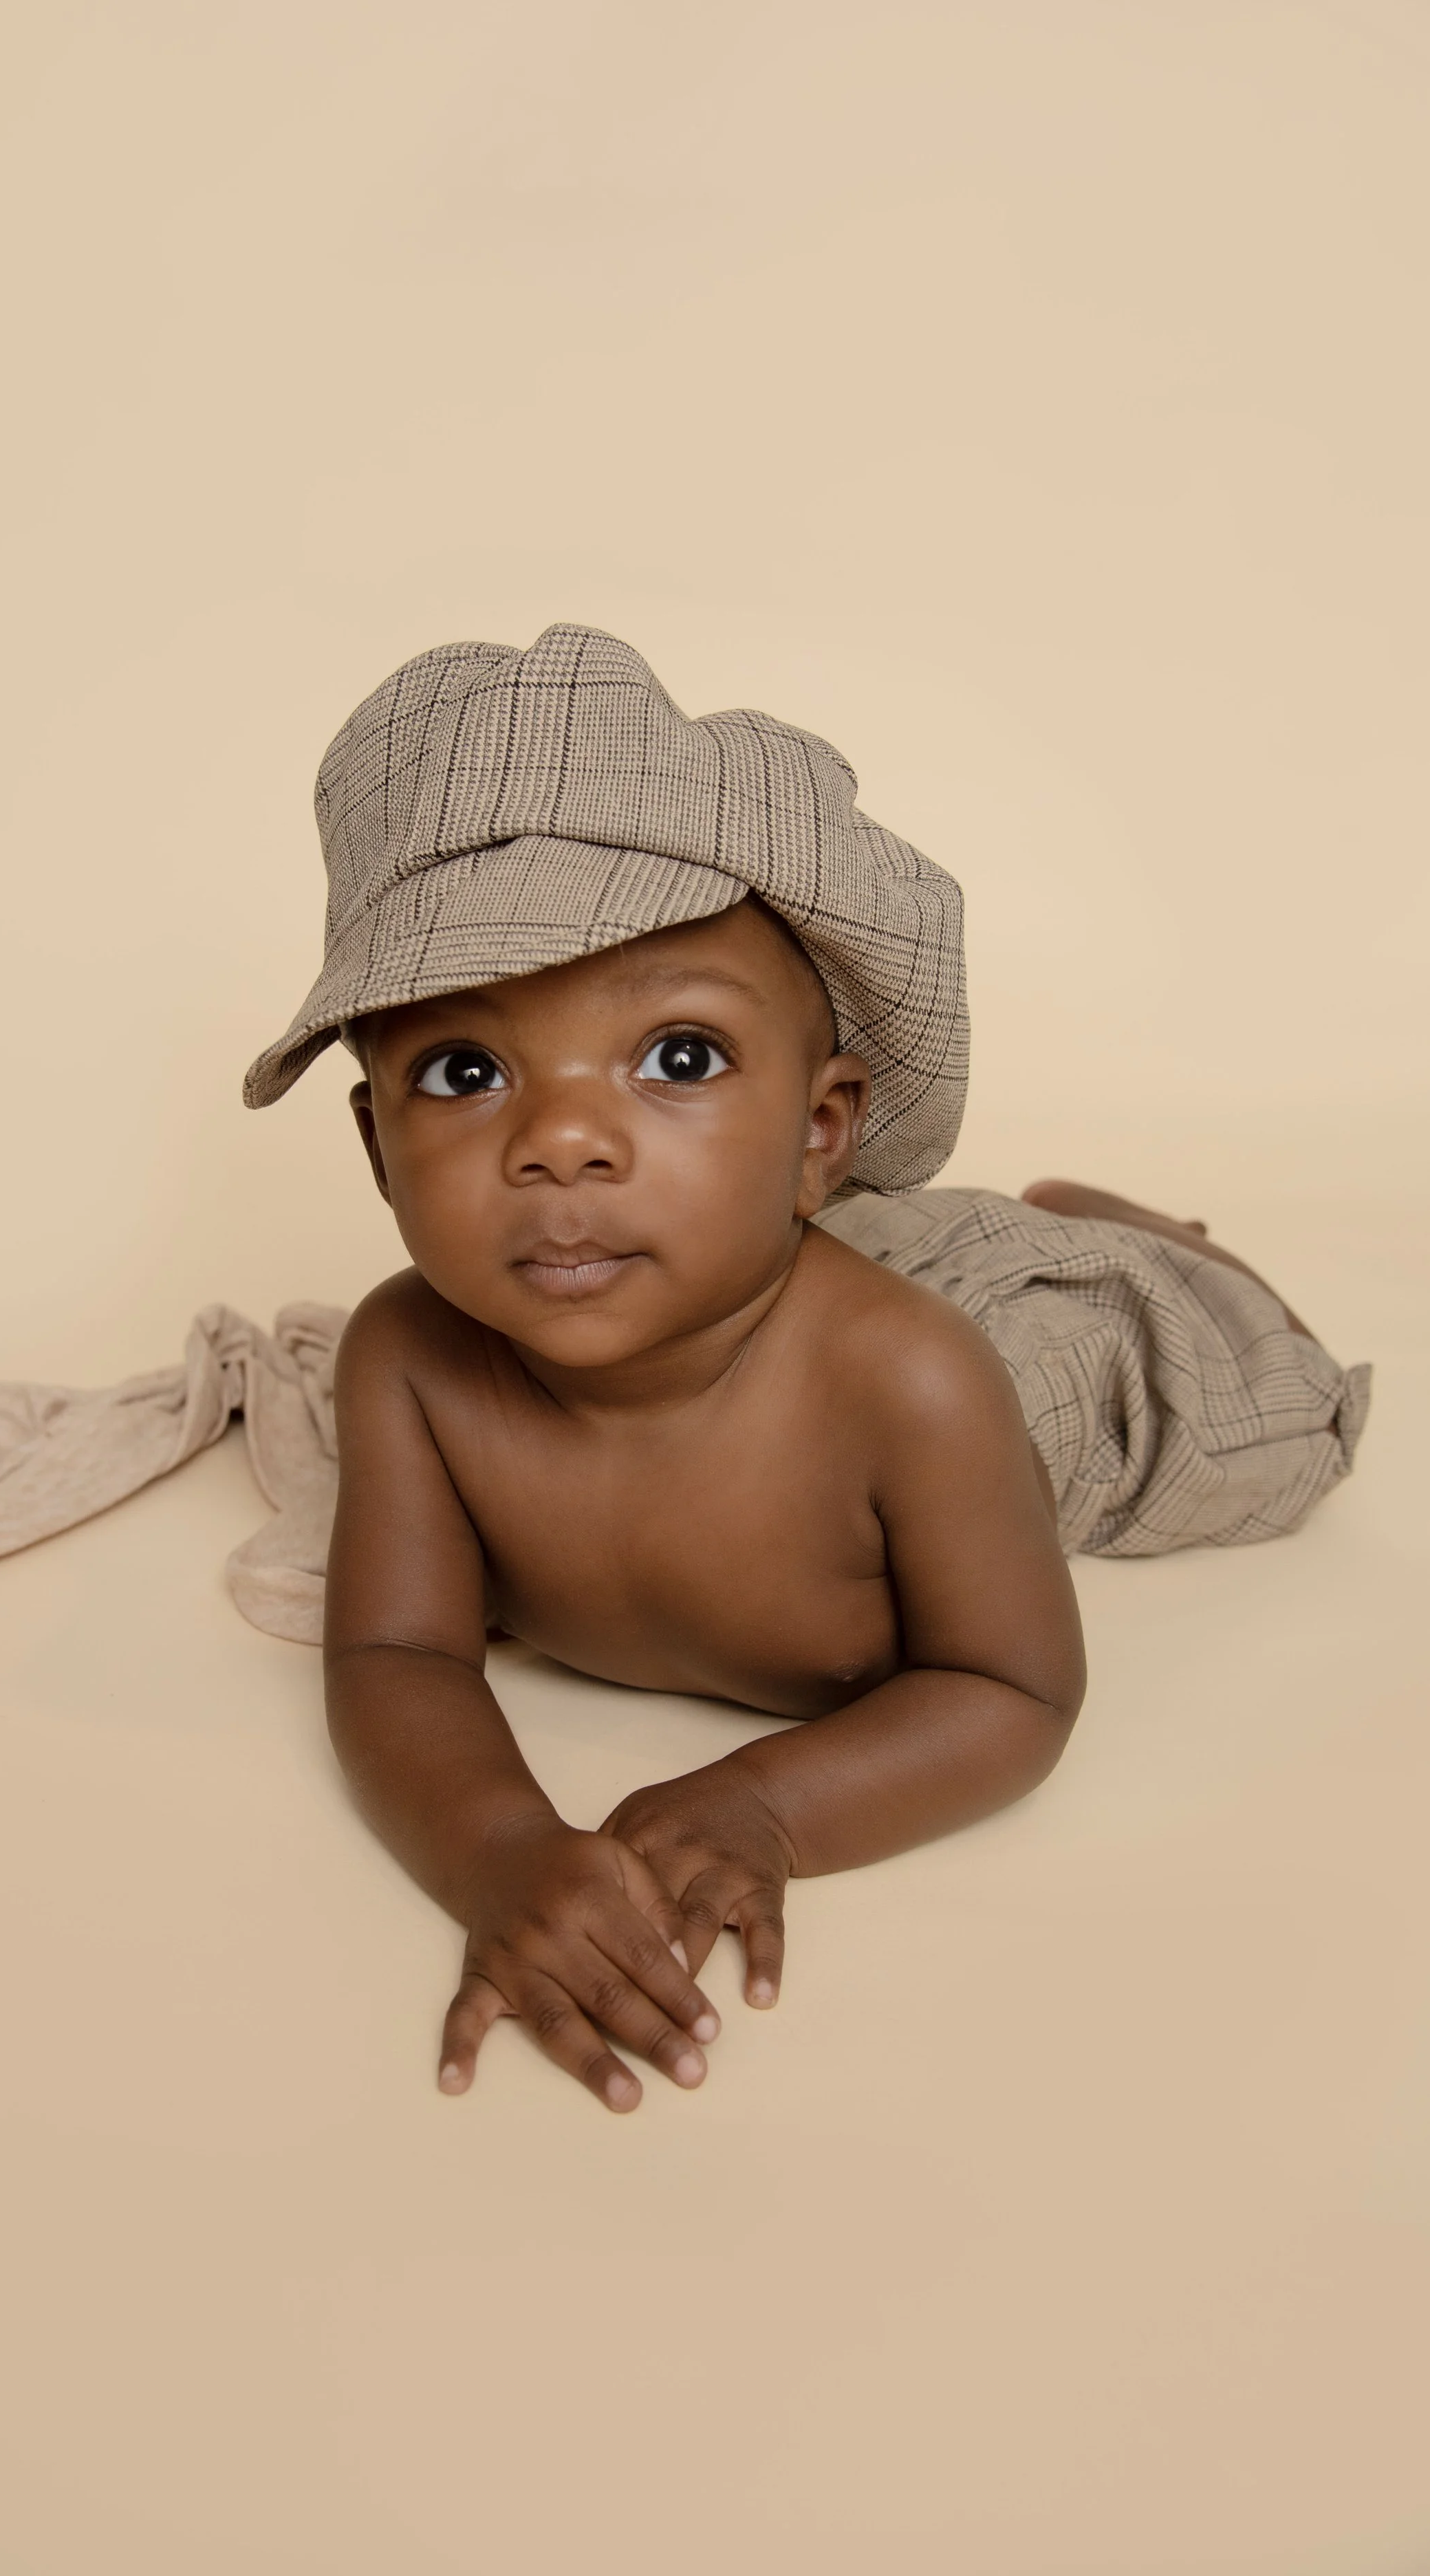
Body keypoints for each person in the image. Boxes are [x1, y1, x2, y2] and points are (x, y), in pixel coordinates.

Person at [239, 623, 1369, 2113]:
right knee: (845, 1244)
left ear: (822, 1130)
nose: (561, 1141)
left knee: (1255, 1396)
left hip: (1052, 1371)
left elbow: (1008, 1688)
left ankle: (1127, 1232)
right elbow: (395, 1658)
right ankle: (989, 1207)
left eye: (678, 1059)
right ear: (380, 1142)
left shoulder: (916, 1386)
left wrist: (759, 1804)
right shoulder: (407, 1362)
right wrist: (499, 1848)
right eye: (465, 1070)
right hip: (771, 1254)